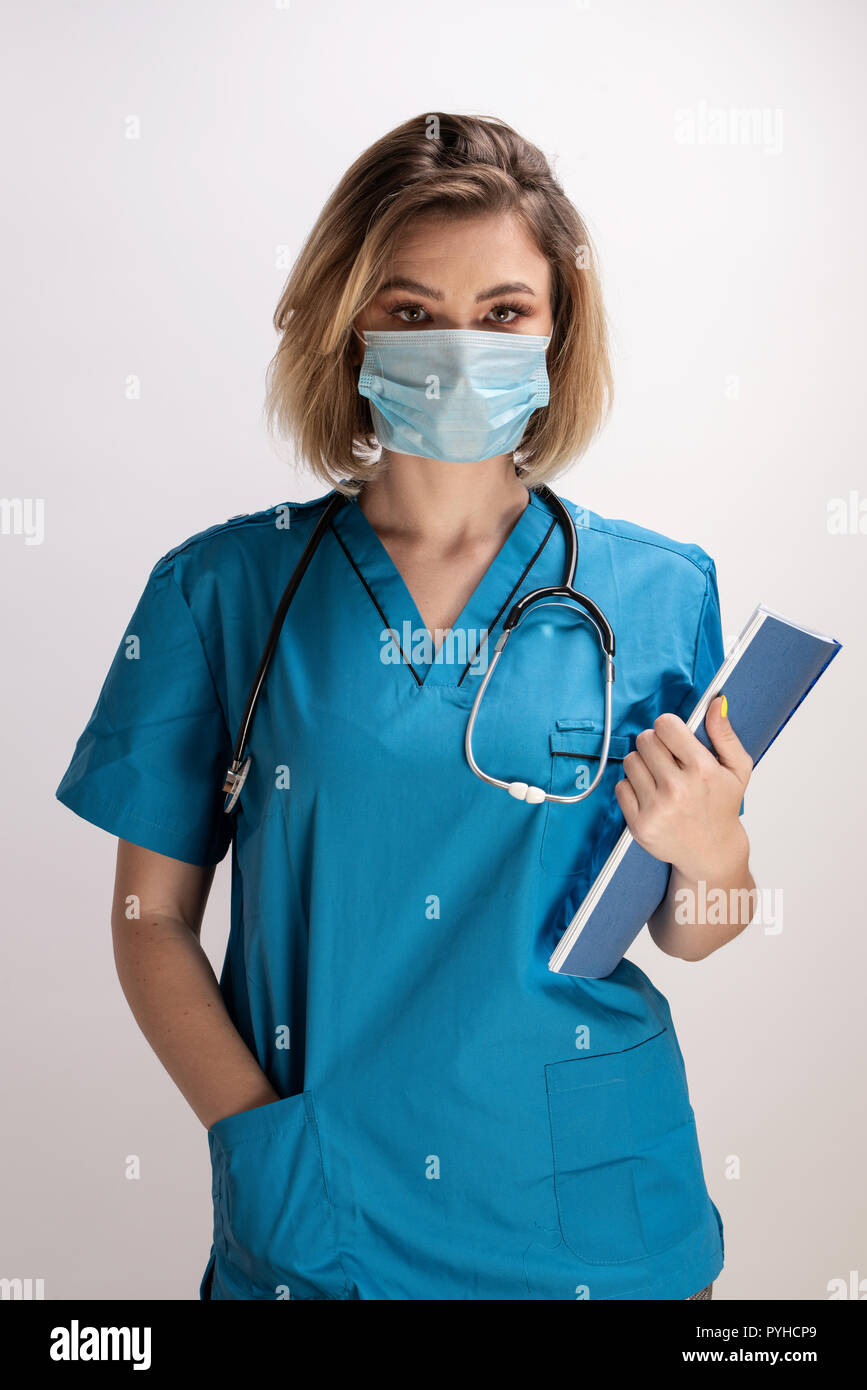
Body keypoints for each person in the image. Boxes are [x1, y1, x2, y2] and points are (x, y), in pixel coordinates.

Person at [56, 112, 755, 1301]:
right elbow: (147, 917)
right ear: (348, 323)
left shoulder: (659, 591)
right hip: (327, 1218)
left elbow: (697, 926)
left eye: (501, 314)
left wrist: (716, 848)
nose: (457, 349)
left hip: (595, 1215)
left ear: (555, 331)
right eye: (411, 311)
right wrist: (259, 1145)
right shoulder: (223, 591)